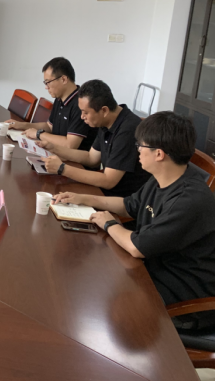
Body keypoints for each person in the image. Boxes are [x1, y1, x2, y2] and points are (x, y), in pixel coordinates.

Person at [53, 111, 215, 329]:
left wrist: (109, 223)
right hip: (152, 268)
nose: (137, 150)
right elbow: (128, 205)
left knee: (99, 298)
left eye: (140, 145)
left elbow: (138, 247)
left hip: (184, 294)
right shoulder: (162, 178)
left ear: (159, 154)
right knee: (90, 280)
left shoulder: (188, 199)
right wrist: (83, 198)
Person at [38, 79, 151, 198]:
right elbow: (91, 158)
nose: (82, 117)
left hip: (122, 200)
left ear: (104, 110)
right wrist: (54, 148)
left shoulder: (128, 130)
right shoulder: (105, 121)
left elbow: (109, 181)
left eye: (85, 112)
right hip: (105, 192)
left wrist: (62, 169)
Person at [5, 57, 96, 150]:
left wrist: (38, 134)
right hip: (55, 151)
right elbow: (50, 126)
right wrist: (22, 125)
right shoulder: (59, 98)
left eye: (48, 82)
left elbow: (70, 145)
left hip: (72, 158)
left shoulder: (80, 105)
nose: (46, 87)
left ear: (63, 79)